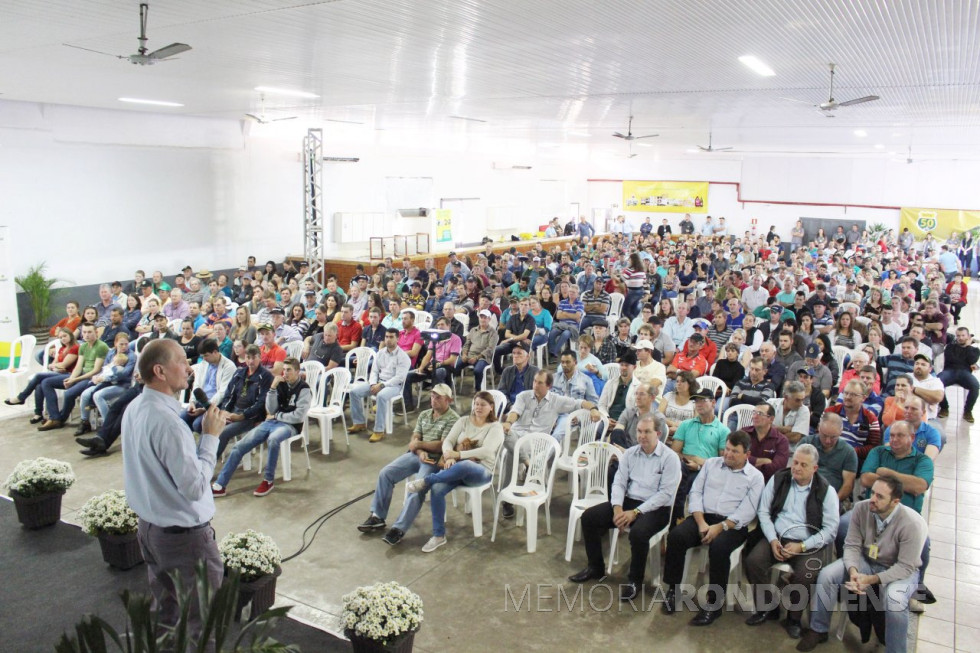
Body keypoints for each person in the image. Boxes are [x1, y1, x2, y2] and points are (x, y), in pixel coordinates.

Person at [121, 339, 224, 643]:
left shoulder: (136, 407)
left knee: (166, 615)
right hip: (184, 541)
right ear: (160, 371)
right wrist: (210, 437)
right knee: (202, 624)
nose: (189, 368)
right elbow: (194, 487)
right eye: (181, 360)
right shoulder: (169, 424)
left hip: (152, 531)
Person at [797, 477, 928, 653]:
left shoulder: (911, 523)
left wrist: (871, 579)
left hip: (901, 570)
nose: (872, 499)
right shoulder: (862, 508)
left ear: (895, 502)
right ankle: (818, 629)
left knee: (895, 602)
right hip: (867, 561)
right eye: (872, 492)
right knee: (827, 575)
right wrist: (853, 571)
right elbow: (852, 545)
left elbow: (905, 567)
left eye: (880, 496)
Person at [568, 416, 681, 599]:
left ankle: (635, 580)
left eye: (647, 432)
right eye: (639, 431)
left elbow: (665, 494)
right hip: (629, 501)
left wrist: (636, 512)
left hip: (656, 508)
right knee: (589, 517)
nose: (642, 436)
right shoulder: (630, 454)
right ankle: (595, 567)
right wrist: (617, 508)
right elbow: (619, 483)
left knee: (638, 533)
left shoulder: (670, 458)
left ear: (658, 434)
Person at [662, 431, 765, 626]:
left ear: (747, 454)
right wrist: (701, 522)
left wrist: (720, 527)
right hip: (703, 517)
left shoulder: (755, 477)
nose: (728, 454)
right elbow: (696, 493)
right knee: (676, 537)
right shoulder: (711, 464)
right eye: (727, 449)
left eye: (734, 451)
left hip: (733, 525)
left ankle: (714, 604)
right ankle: (673, 590)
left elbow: (747, 511)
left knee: (719, 548)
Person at [744, 445, 840, 640]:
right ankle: (767, 607)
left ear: (814, 468)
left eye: (803, 465)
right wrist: (772, 539)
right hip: (777, 536)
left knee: (806, 574)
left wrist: (802, 546)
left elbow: (830, 530)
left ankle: (793, 619)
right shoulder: (779, 479)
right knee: (753, 561)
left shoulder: (826, 491)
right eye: (795, 462)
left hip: (808, 542)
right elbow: (763, 511)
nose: (796, 468)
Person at [357, 385, 460, 545]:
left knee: (417, 487)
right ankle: (377, 516)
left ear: (449, 400)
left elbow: (442, 445)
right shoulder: (424, 414)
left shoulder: (453, 419)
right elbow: (414, 438)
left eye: (438, 397)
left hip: (434, 461)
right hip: (417, 455)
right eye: (432, 396)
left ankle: (399, 528)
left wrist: (419, 445)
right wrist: (419, 450)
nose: (434, 400)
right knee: (386, 473)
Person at [406, 391, 505, 552]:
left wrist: (458, 455)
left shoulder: (495, 427)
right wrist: (448, 455)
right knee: (437, 489)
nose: (478, 407)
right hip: (456, 469)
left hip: (481, 471)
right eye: (476, 404)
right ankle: (438, 536)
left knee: (466, 465)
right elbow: (448, 441)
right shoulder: (464, 421)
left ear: (491, 407)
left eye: (483, 404)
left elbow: (486, 451)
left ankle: (427, 480)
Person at [500, 370, 595, 517]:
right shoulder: (523, 396)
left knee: (511, 454)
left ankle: (506, 499)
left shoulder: (557, 401)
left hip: (536, 442)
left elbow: (579, 403)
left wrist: (593, 409)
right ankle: (528, 463)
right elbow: (515, 412)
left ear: (549, 386)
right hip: (517, 435)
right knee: (503, 434)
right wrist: (508, 423)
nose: (535, 385)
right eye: (534, 381)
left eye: (540, 383)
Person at [212, 357, 312, 497]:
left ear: (297, 371)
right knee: (239, 447)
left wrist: (277, 416)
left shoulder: (304, 389)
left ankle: (268, 480)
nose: (285, 373)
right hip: (271, 422)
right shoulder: (280, 384)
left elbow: (298, 416)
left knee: (273, 439)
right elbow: (271, 409)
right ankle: (220, 485)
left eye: (289, 370)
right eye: (284, 370)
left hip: (290, 426)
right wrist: (272, 388)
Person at [38, 323, 109, 431]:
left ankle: (60, 419)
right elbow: (78, 367)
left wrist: (74, 379)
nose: (86, 335)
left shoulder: (101, 346)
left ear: (96, 332)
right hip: (80, 376)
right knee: (46, 382)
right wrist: (71, 378)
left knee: (69, 394)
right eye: (84, 332)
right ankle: (55, 417)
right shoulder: (83, 346)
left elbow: (96, 370)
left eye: (89, 332)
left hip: (91, 379)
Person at [349, 328, 411, 443]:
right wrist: (373, 383)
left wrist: (381, 385)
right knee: (354, 392)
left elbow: (399, 378)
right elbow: (374, 371)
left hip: (394, 386)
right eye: (386, 337)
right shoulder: (380, 353)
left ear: (398, 339)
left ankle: (379, 430)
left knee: (381, 396)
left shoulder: (403, 357)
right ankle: (359, 422)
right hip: (378, 382)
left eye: (391, 337)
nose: (388, 339)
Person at [213, 344, 274, 457]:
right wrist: (225, 410)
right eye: (248, 357)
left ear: (260, 357)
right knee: (211, 427)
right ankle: (201, 460)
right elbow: (229, 395)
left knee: (223, 432)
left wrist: (242, 416)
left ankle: (210, 462)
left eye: (254, 357)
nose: (250, 361)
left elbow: (261, 403)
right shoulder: (239, 373)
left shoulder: (266, 376)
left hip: (251, 416)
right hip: (234, 411)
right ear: (244, 357)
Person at [180, 339, 237, 434]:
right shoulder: (204, 364)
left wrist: (205, 408)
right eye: (202, 356)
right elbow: (197, 385)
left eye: (206, 355)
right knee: (181, 419)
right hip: (200, 400)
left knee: (197, 424)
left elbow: (222, 393)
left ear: (215, 352)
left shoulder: (229, 366)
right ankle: (188, 440)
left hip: (217, 404)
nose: (204, 359)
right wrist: (192, 402)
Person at [801, 413, 858, 504]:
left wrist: (832, 502)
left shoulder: (848, 452)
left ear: (841, 431)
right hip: (805, 493)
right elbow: (797, 471)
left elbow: (848, 485)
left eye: (833, 437)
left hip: (835, 498)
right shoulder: (807, 443)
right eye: (824, 435)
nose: (828, 441)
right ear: (818, 428)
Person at [938, 326, 979, 422]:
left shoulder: (975, 350)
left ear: (968, 336)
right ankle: (944, 407)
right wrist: (967, 361)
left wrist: (968, 347)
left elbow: (972, 360)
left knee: (975, 386)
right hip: (949, 371)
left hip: (965, 373)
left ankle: (968, 411)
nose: (960, 338)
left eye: (963, 335)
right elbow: (951, 359)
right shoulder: (950, 347)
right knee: (937, 382)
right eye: (958, 336)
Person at [743, 403, 790, 482]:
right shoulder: (744, 433)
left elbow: (777, 469)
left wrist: (748, 462)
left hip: (767, 482)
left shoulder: (781, 441)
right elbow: (736, 457)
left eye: (760, 414)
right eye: (754, 412)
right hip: (743, 478)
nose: (755, 416)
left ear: (771, 419)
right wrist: (763, 461)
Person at [496, 341, 538, 409]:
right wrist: (509, 406)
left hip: (527, 408)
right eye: (514, 353)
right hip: (508, 406)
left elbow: (537, 394)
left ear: (528, 356)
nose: (515, 356)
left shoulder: (535, 372)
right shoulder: (507, 371)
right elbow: (501, 392)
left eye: (519, 353)